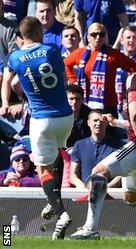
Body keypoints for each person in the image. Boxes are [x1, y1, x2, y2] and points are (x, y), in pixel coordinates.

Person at [68, 40, 136, 240]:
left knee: (98, 173)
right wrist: (116, 123)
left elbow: (135, 112)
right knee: (131, 197)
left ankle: (90, 229)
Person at [1, 17, 73, 240]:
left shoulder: (15, 57)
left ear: (20, 37)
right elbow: (61, 77)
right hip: (65, 115)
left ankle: (61, 214)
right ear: (41, 32)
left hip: (41, 119)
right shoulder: (51, 49)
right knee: (58, 152)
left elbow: (10, 83)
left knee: (42, 168)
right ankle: (53, 203)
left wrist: (7, 102)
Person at [64, 22, 136, 115]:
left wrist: (129, 88)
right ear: (88, 37)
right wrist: (72, 80)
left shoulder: (113, 54)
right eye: (94, 34)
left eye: (101, 34)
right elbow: (66, 64)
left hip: (108, 105)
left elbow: (134, 68)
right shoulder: (80, 53)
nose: (98, 37)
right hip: (85, 103)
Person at [70, 110, 124, 188]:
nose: (98, 123)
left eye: (102, 121)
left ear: (107, 123)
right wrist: (84, 189)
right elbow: (73, 175)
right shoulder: (79, 145)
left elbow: (122, 174)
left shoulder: (117, 146)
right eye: (95, 120)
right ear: (88, 123)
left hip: (110, 195)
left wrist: (105, 188)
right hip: (84, 194)